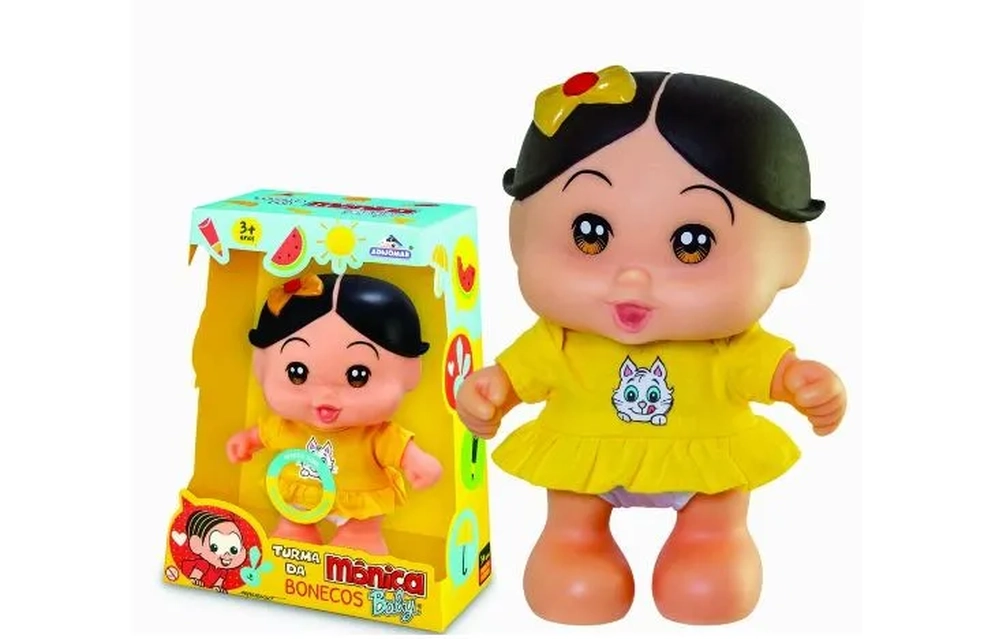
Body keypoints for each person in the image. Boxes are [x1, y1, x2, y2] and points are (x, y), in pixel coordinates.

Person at [456, 66, 847, 625]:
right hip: (586, 464)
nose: (632, 280)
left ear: (790, 254)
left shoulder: (729, 344)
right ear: (519, 233)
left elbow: (770, 370)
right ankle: (576, 547)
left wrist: (801, 383)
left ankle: (710, 546)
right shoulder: (560, 338)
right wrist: (489, 391)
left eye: (692, 244)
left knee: (712, 542)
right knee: (572, 532)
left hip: (704, 465)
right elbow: (515, 376)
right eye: (590, 235)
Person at [227, 273, 442, 556]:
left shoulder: (375, 435)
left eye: (358, 376)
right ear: (261, 365)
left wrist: (419, 462)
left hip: (359, 502)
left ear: (410, 371)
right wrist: (246, 441)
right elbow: (264, 434)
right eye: (297, 373)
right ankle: (295, 537)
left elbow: (399, 448)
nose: (324, 399)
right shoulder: (288, 425)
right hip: (300, 495)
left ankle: (357, 544)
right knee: (292, 528)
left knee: (358, 539)